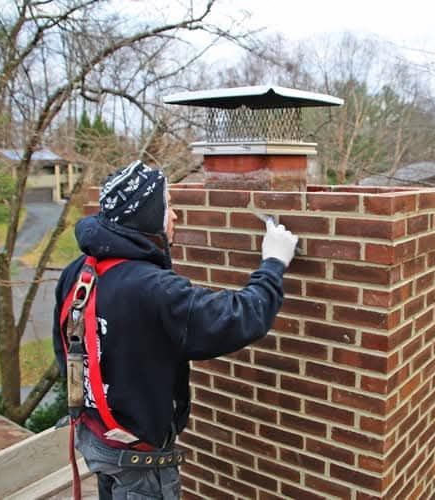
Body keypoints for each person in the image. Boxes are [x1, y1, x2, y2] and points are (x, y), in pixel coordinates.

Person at [52, 160, 299, 499]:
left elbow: (62, 348)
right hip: (138, 460)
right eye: (169, 207)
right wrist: (273, 263)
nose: (175, 216)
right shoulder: (154, 290)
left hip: (96, 436)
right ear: (147, 217)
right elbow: (239, 317)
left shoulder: (78, 271)